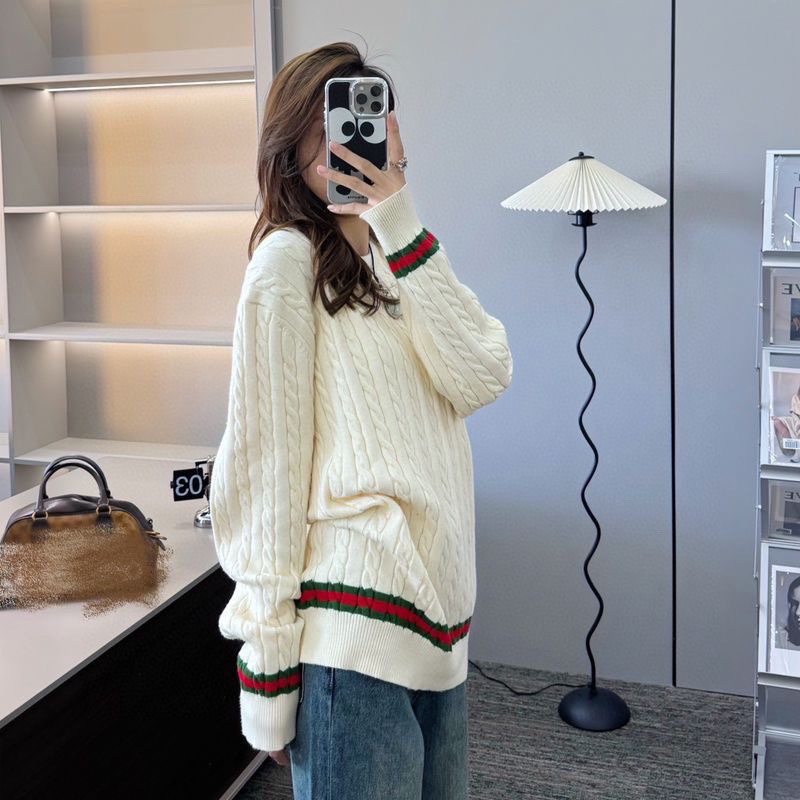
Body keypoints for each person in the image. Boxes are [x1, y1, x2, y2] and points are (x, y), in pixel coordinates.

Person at [209, 41, 513, 800]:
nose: (348, 140)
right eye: (326, 125)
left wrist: (396, 215)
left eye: (365, 118)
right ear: (292, 149)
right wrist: (268, 668)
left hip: (440, 625)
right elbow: (267, 472)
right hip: (350, 633)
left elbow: (482, 375)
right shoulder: (285, 265)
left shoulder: (399, 254)